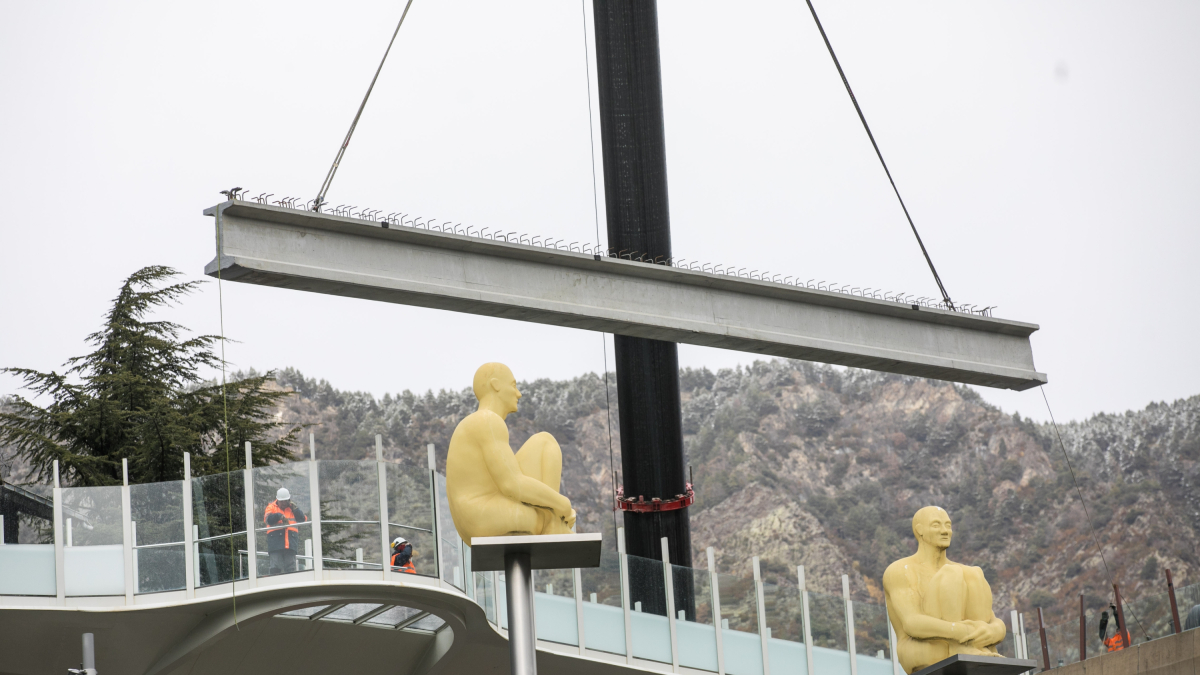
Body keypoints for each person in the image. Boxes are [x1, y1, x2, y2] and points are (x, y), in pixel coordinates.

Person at [446, 362, 576, 545]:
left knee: (544, 443)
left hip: (475, 517)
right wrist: (561, 504)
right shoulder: (487, 420)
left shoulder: (477, 422)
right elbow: (512, 484)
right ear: (495, 385)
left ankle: (552, 523)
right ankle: (552, 523)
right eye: (513, 386)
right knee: (547, 443)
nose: (518, 393)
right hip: (482, 516)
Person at [883, 506, 1006, 674]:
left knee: (975, 572)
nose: (945, 531)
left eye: (948, 526)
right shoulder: (900, 569)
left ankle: (976, 647)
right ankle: (962, 647)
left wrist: (993, 630)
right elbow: (912, 623)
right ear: (919, 530)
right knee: (952, 572)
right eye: (936, 525)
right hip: (923, 648)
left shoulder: (966, 572)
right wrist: (962, 632)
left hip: (971, 644)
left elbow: (993, 620)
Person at [264, 487, 308, 574]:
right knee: (275, 567)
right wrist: (278, 516)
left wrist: (296, 510)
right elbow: (268, 520)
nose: (283, 503)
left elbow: (302, 519)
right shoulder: (271, 507)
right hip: (275, 542)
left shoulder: (293, 509)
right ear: (278, 500)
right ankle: (275, 584)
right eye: (281, 501)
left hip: (290, 543)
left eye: (285, 501)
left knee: (290, 567)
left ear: (288, 500)